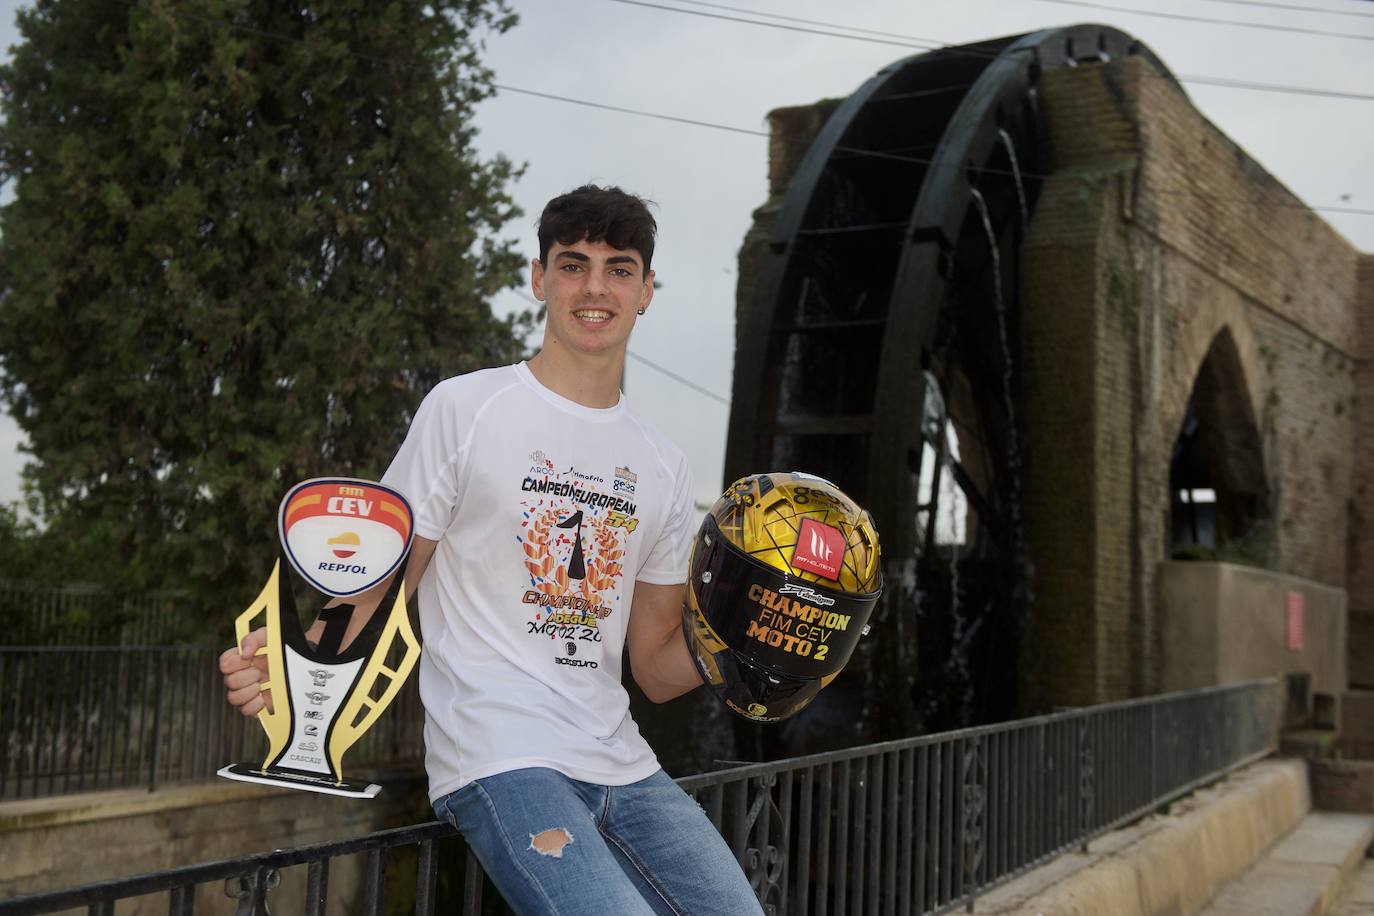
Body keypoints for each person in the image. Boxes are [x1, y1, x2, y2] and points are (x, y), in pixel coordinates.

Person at [219, 185, 764, 916]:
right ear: (539, 279)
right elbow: (380, 580)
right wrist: (295, 667)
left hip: (623, 763)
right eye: (573, 265)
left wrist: (750, 634)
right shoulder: (466, 409)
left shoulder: (662, 464)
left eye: (619, 268)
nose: (595, 287)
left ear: (646, 291)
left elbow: (657, 672)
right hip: (500, 756)